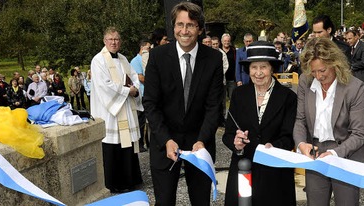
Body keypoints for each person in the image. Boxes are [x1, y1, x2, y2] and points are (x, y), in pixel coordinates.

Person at [143, 2, 223, 205]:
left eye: (190, 25)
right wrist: (166, 139)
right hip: (165, 142)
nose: (184, 31)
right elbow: (151, 104)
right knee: (164, 201)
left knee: (200, 201)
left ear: (199, 29)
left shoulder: (213, 59)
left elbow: (214, 106)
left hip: (199, 143)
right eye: (180, 25)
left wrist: (202, 140)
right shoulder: (157, 57)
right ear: (173, 27)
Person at [294, 38, 364, 206]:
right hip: (315, 153)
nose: (318, 76)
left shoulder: (354, 87)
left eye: (322, 70)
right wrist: (301, 144)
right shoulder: (305, 81)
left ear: (335, 63)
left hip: (346, 154)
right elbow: (300, 120)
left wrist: (335, 154)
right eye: (313, 71)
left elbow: (360, 133)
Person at [222, 41, 296, 206]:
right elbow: (228, 133)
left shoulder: (288, 97)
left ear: (272, 68)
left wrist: (274, 146)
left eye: (263, 67)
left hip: (276, 172)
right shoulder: (239, 95)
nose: (258, 73)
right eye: (254, 67)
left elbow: (290, 136)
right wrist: (236, 143)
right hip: (244, 168)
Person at [90, 26, 144, 193]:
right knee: (114, 145)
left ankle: (130, 180)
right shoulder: (98, 60)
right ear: (104, 41)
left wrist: (134, 88)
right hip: (110, 112)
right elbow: (104, 85)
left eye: (116, 39)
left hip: (125, 108)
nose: (114, 42)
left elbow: (134, 77)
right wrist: (128, 91)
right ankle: (115, 183)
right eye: (110, 39)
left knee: (127, 145)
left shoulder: (123, 59)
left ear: (120, 42)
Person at [346, 29, 364, 108]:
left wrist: (350, 67)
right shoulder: (350, 47)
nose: (348, 41)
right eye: (347, 39)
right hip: (355, 77)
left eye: (350, 38)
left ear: (356, 37)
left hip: (363, 78)